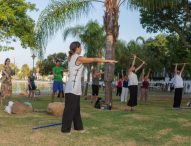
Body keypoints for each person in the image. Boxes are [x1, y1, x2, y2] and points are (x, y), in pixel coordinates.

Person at [61, 41, 117, 134]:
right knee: (70, 109)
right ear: (77, 48)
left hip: (73, 87)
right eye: (80, 47)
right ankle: (65, 129)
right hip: (72, 88)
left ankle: (78, 127)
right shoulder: (78, 58)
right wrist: (108, 60)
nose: (81, 49)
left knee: (76, 108)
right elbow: (94, 59)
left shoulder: (71, 58)